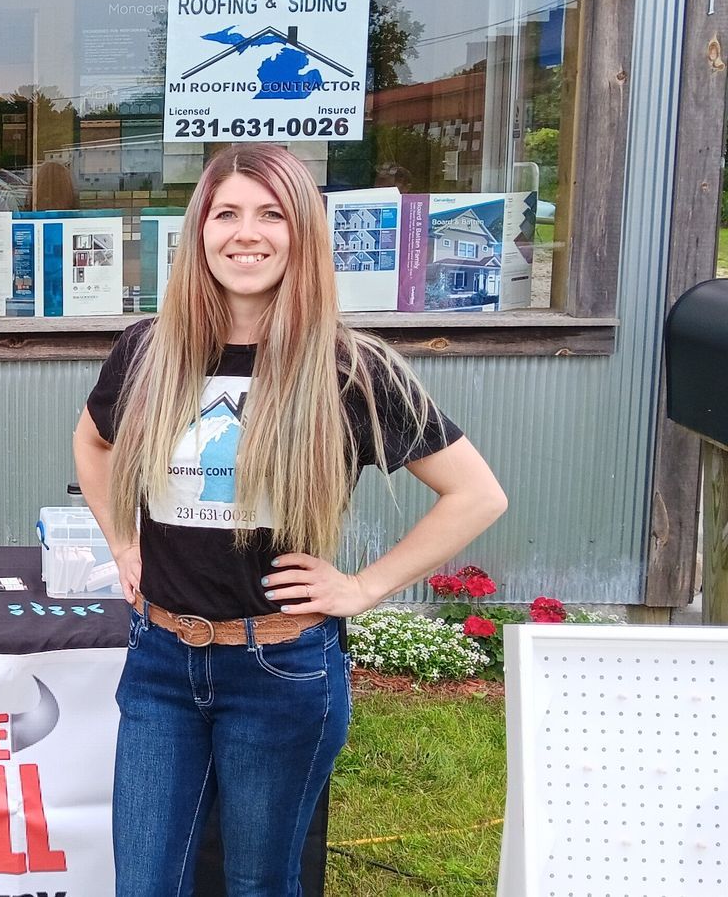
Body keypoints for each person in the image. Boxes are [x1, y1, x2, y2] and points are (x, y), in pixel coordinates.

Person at [72, 143, 506, 896]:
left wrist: (363, 588)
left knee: (261, 883)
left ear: (301, 232)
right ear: (199, 229)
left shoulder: (347, 367)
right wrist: (122, 541)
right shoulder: (148, 351)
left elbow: (476, 493)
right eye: (227, 212)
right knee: (144, 884)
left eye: (272, 214)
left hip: (280, 671)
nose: (248, 232)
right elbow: (92, 439)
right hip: (161, 666)